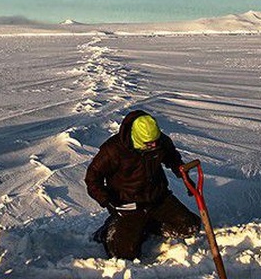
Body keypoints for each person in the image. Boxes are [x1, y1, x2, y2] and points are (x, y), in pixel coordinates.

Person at [85, 110, 201, 260]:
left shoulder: (160, 141)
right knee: (124, 255)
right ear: (137, 137)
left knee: (190, 227)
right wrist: (107, 201)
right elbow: (92, 178)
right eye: (149, 143)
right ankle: (109, 230)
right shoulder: (113, 150)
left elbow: (173, 158)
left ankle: (145, 225)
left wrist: (184, 176)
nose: (154, 144)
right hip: (128, 204)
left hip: (158, 197)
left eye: (155, 140)